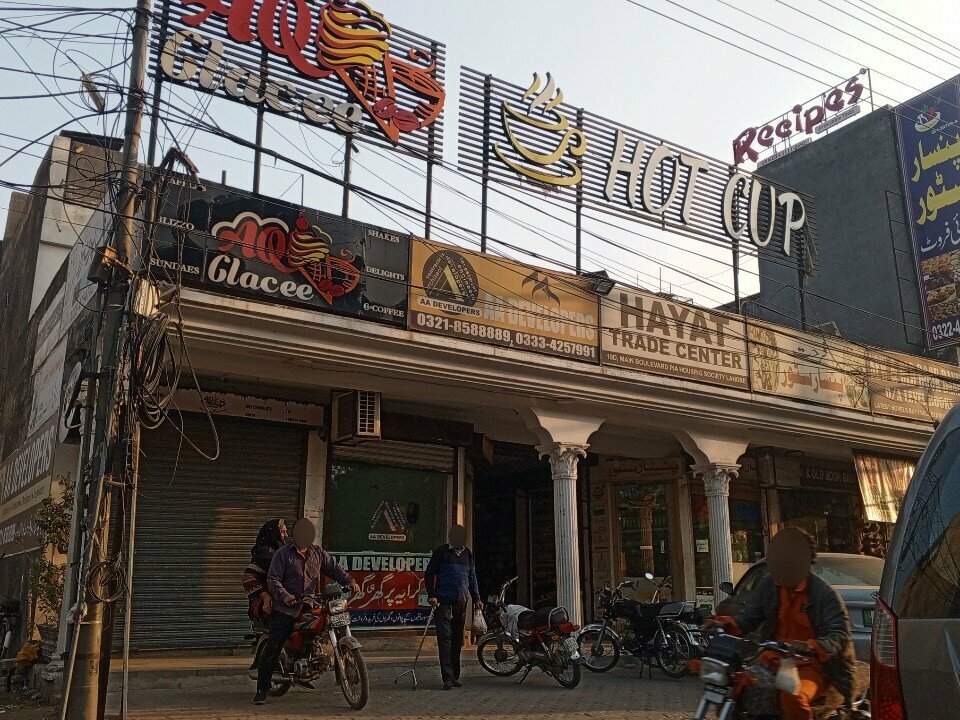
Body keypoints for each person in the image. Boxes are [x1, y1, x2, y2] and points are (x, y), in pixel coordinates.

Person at [705, 527, 856, 720]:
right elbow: (750, 616)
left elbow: (839, 635)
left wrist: (811, 646)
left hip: (812, 666)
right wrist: (724, 624)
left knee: (792, 697)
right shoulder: (770, 585)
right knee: (729, 687)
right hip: (773, 661)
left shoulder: (823, 594)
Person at [254, 518, 360, 705]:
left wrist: (349, 582)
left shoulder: (318, 553)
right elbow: (273, 579)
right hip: (286, 607)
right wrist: (285, 596)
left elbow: (334, 570)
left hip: (311, 604)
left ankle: (314, 659)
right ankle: (262, 688)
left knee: (325, 624)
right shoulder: (283, 554)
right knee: (275, 643)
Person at [424, 524, 481, 690]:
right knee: (445, 641)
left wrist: (477, 598)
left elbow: (472, 577)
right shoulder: (441, 552)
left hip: (461, 603)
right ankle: (447, 678)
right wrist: (432, 595)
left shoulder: (467, 554)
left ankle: (455, 676)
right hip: (443, 603)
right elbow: (429, 574)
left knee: (457, 642)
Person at [242, 519, 287, 621]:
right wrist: (265, 595)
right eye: (283, 532)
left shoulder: (278, 553)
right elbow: (248, 577)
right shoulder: (265, 553)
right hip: (270, 609)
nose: (286, 535)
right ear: (273, 533)